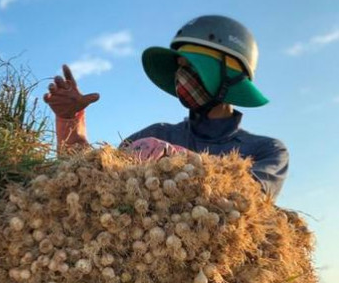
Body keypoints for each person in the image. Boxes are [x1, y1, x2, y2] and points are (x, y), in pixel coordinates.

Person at [44, 15, 289, 200]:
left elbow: (250, 196)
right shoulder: (156, 135)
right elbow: (88, 180)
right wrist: (70, 120)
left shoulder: (266, 151)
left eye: (193, 68)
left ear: (231, 75)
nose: (183, 78)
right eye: (180, 68)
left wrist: (180, 159)